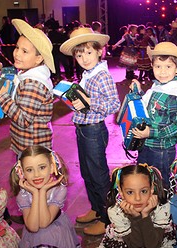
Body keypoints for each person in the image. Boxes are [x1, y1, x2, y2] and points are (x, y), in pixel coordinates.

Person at [60, 27, 121, 236]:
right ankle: (97, 208)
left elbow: (114, 104)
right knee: (87, 173)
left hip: (94, 130)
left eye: (88, 52)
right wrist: (71, 100)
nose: (84, 58)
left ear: (99, 51)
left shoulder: (101, 75)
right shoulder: (87, 74)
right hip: (82, 128)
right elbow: (81, 104)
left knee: (99, 175)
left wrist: (88, 101)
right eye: (79, 54)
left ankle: (108, 219)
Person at [10, 146, 89, 248]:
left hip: (56, 229)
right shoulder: (23, 194)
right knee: (38, 235)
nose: (37, 174)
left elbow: (45, 222)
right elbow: (32, 226)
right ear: (21, 172)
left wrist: (41, 191)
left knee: (46, 235)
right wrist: (36, 192)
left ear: (52, 167)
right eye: (29, 170)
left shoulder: (59, 189)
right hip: (34, 231)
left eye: (42, 167)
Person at [0, 19, 56, 157]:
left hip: (33, 149)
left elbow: (23, 119)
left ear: (38, 59)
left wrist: (3, 96)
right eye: (17, 47)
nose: (17, 54)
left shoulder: (33, 84)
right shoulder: (25, 75)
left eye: (24, 51)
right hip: (25, 143)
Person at [130, 42, 177, 186]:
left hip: (162, 149)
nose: (162, 72)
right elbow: (149, 108)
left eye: (168, 67)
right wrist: (138, 92)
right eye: (158, 66)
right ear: (152, 67)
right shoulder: (158, 86)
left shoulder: (176, 93)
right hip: (146, 144)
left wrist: (150, 132)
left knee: (161, 182)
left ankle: (163, 206)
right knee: (145, 179)